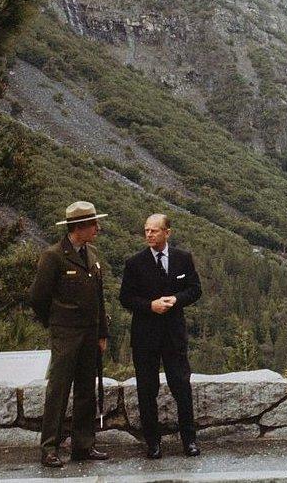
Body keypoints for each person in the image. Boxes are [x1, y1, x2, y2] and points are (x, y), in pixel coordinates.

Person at [30, 201, 111, 468]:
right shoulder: (53, 256)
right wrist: (55, 325)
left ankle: (83, 445)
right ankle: (49, 448)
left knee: (86, 389)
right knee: (59, 390)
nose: (97, 228)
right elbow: (39, 298)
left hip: (89, 333)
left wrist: (102, 334)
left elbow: (99, 298)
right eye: (93, 224)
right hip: (65, 333)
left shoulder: (93, 254)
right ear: (78, 227)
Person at [119, 214, 202, 459]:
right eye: (146, 230)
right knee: (147, 390)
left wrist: (177, 300)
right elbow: (125, 298)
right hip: (145, 337)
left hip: (174, 336)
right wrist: (150, 306)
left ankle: (189, 441)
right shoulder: (134, 263)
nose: (149, 235)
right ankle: (153, 443)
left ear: (167, 232)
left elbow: (195, 289)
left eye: (154, 231)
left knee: (181, 387)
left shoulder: (182, 258)